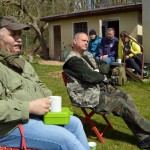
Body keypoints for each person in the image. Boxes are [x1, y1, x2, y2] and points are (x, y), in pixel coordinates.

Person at [0, 16, 90, 150]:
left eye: (19, 34)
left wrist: (49, 100)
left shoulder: (21, 62)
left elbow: (39, 84)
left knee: (75, 123)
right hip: (9, 127)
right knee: (65, 139)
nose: (19, 39)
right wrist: (29, 107)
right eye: (13, 35)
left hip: (34, 117)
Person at [63, 32, 150, 149]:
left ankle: (143, 139)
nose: (86, 42)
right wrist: (98, 72)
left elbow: (105, 66)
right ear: (74, 41)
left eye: (87, 41)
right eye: (83, 40)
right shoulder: (72, 61)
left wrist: (99, 71)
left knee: (126, 96)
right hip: (88, 96)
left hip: (100, 89)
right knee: (121, 105)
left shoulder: (88, 55)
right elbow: (90, 77)